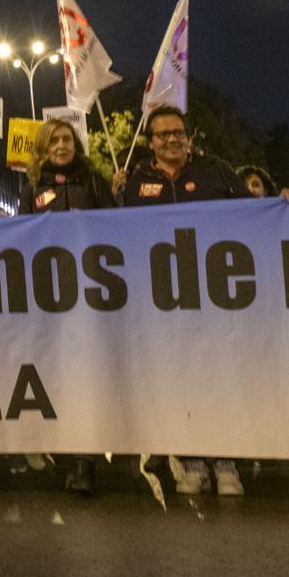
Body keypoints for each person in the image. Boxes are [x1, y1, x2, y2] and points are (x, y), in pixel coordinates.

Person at [116, 107, 245, 496]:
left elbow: (255, 213)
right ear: (150, 143)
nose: (172, 140)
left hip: (215, 294)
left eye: (178, 133)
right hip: (164, 302)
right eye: (163, 135)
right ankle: (191, 463)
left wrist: (285, 202)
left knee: (220, 379)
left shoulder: (216, 171)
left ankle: (226, 464)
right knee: (180, 381)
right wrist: (117, 195)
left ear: (189, 137)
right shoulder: (138, 181)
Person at [24, 122, 116, 213]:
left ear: (74, 145)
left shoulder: (94, 181)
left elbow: (112, 221)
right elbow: (25, 226)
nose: (61, 146)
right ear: (43, 147)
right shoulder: (32, 188)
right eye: (54, 141)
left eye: (67, 139)